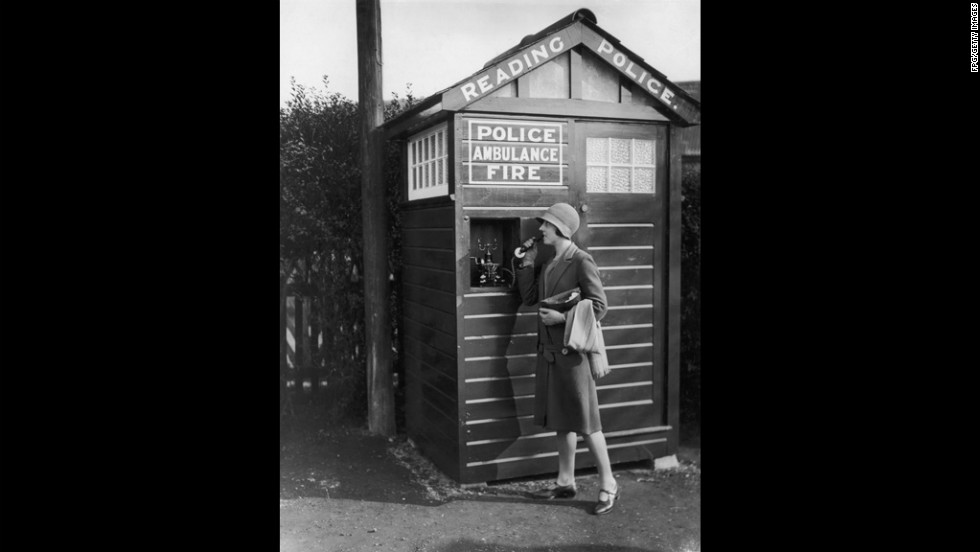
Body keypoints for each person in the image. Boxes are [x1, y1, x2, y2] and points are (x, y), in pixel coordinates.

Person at [514, 202, 620, 516]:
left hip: (573, 356)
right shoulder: (549, 262)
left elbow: (599, 306)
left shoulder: (580, 260)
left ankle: (608, 483)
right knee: (563, 421)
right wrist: (525, 265)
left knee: (588, 424)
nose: (541, 229)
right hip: (549, 355)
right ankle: (565, 481)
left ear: (561, 227)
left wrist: (562, 320)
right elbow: (530, 299)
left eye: (546, 224)